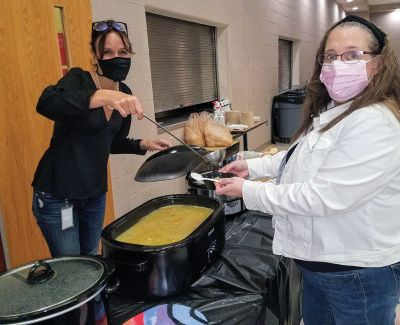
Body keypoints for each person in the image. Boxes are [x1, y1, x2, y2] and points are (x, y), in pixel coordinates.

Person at [216, 15, 400, 325]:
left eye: (353, 55)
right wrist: (252, 165)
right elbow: (299, 157)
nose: (338, 64)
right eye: (330, 56)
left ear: (378, 63)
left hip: (357, 273)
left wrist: (249, 192)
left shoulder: (375, 121)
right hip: (319, 265)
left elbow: (323, 197)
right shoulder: (335, 110)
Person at [32, 20, 172, 257]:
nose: (116, 58)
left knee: (90, 257)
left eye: (123, 52)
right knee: (72, 265)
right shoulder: (79, 80)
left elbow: (111, 142)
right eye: (108, 52)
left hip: (94, 193)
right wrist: (101, 96)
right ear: (95, 55)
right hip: (59, 194)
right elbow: (46, 103)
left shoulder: (125, 94)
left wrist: (144, 144)